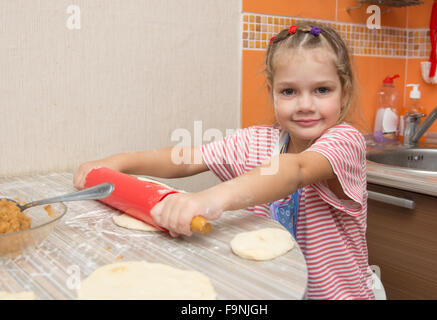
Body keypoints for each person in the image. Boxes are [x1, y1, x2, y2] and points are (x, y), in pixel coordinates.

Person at [73, 21, 375, 300]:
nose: (305, 104)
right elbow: (187, 158)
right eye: (289, 91)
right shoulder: (258, 140)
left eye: (322, 90)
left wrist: (207, 200)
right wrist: (118, 162)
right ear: (272, 94)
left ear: (344, 94)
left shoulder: (345, 142)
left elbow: (294, 170)